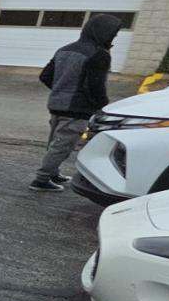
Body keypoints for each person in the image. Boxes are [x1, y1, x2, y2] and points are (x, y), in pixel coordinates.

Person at [29, 14, 124, 192]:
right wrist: (102, 105)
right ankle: (41, 179)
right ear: (104, 33)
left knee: (55, 142)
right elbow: (95, 86)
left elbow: (45, 76)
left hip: (57, 104)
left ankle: (53, 172)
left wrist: (61, 89)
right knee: (63, 145)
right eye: (113, 34)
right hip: (77, 108)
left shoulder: (64, 49)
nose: (114, 38)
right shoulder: (99, 55)